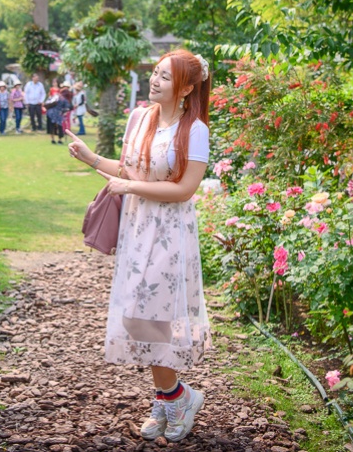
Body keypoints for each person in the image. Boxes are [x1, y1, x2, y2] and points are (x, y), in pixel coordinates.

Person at [66, 49, 211, 443]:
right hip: (136, 228)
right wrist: (90, 157)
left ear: (185, 88)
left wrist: (129, 186)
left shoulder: (194, 129)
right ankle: (172, 397)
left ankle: (174, 398)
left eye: (166, 77)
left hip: (169, 232)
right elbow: (130, 168)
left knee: (150, 317)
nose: (156, 80)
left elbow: (184, 189)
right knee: (137, 316)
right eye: (156, 73)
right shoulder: (140, 118)